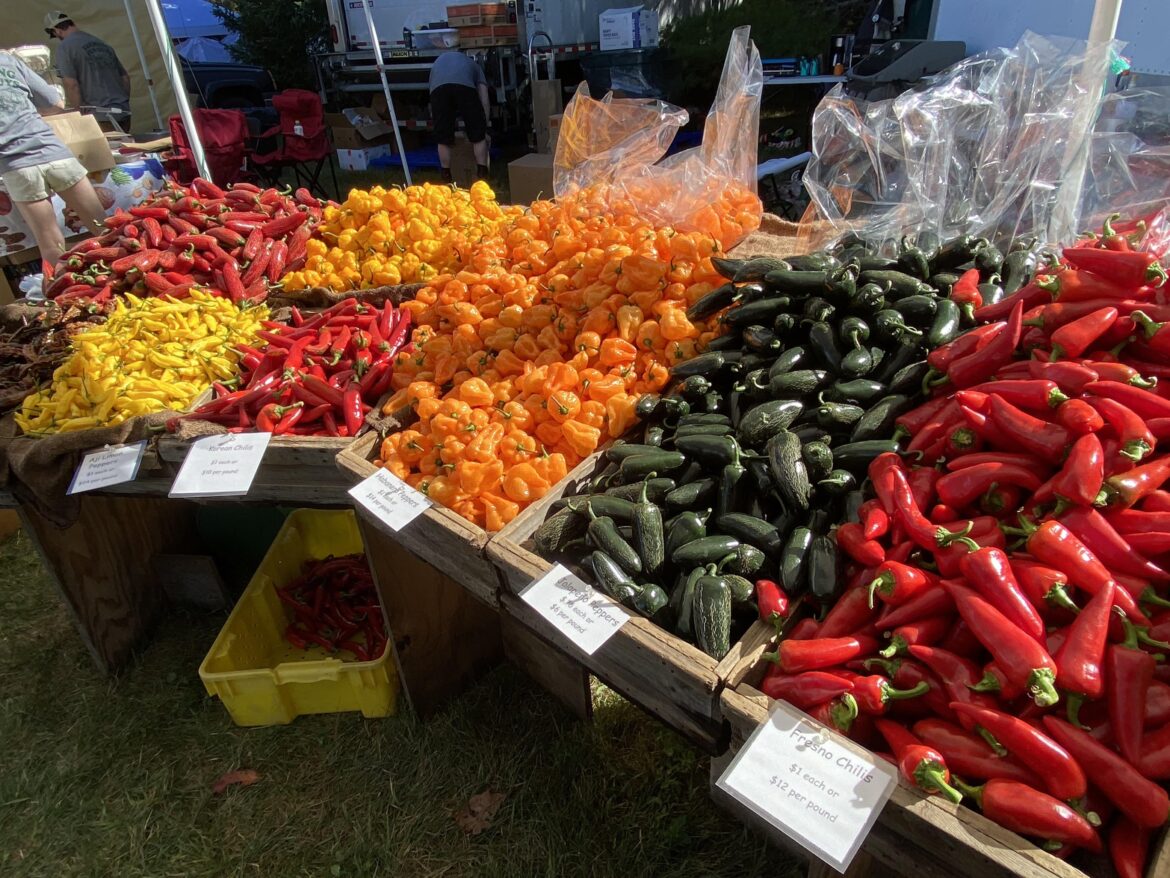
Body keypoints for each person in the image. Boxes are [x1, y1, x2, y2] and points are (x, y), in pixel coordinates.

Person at [0, 50, 109, 268]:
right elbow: (55, 104)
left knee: (51, 245)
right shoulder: (6, 59)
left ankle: (63, 298)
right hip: (55, 153)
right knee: (106, 230)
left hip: (17, 166)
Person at [44, 11, 132, 133]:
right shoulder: (102, 44)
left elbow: (71, 85)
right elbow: (125, 78)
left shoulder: (65, 48)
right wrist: (122, 103)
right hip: (124, 114)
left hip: (98, 117)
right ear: (72, 23)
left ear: (56, 31)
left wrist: (79, 115)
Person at [428, 50, 490, 181]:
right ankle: (482, 173)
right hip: (465, 87)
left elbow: (433, 92)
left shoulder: (438, 62)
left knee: (443, 137)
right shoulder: (475, 66)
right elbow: (484, 97)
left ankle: (446, 175)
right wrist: (484, 123)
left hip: (438, 88)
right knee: (478, 136)